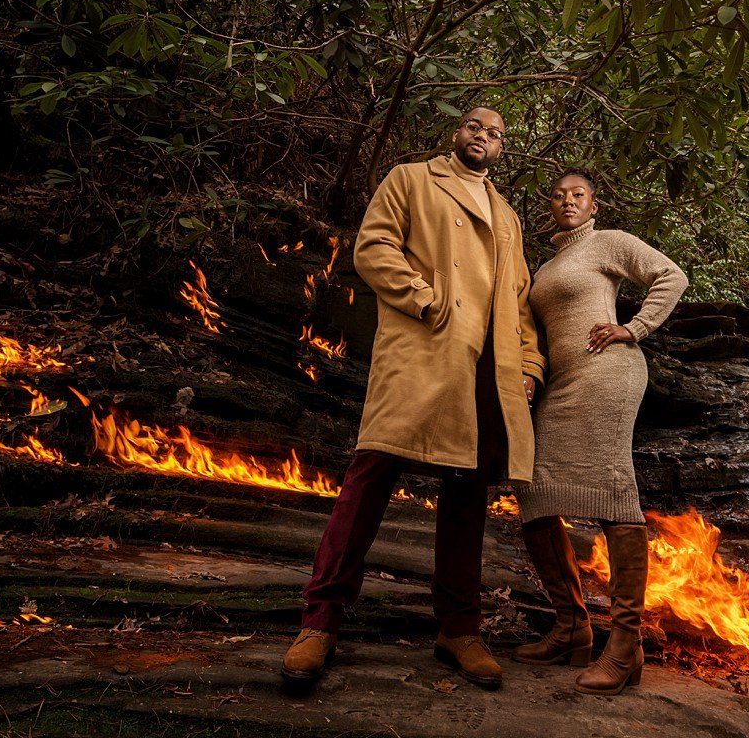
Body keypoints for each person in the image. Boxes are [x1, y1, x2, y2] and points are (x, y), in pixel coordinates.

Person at [281, 107, 546, 690]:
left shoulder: (506, 216)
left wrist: (528, 364)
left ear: (502, 150)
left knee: (467, 496)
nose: (484, 137)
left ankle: (459, 629)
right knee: (370, 475)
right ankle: (319, 622)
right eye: (475, 126)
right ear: (457, 133)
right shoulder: (411, 179)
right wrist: (426, 300)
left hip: (487, 366)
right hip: (424, 350)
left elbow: (520, 299)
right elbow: (373, 249)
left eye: (496, 134)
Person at [512, 168, 688, 695]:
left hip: (608, 373)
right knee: (534, 491)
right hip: (560, 383)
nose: (568, 201)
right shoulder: (546, 265)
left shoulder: (608, 243)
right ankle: (570, 627)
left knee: (613, 493)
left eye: (579, 195)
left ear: (595, 206)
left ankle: (625, 647)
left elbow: (671, 276)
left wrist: (632, 327)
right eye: (559, 195)